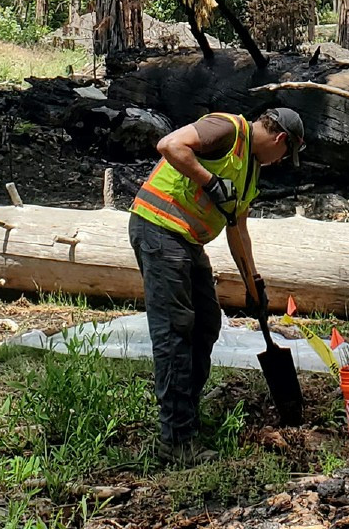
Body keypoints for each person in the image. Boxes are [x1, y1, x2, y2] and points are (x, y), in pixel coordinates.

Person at [128, 106, 303, 464]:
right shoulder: (225, 128)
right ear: (281, 139)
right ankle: (175, 441)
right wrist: (210, 181)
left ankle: (185, 418)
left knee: (207, 323)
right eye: (286, 154)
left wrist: (254, 284)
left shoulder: (251, 170)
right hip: (158, 229)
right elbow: (170, 144)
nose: (281, 161)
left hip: (186, 241)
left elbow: (238, 230)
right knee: (176, 332)